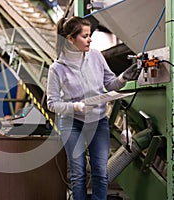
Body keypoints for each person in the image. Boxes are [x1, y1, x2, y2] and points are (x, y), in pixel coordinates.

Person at [46, 16, 140, 199]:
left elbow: (110, 84)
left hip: (98, 120)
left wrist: (123, 78)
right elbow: (52, 103)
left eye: (90, 35)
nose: (90, 39)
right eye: (85, 36)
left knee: (100, 172)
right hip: (72, 123)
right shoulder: (56, 69)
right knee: (79, 173)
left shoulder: (96, 56)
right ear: (70, 39)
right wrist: (75, 106)